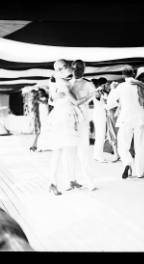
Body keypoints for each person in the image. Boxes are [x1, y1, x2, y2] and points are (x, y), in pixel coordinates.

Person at [47, 59, 96, 195]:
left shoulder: (57, 80)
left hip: (67, 117)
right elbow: (75, 102)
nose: (76, 70)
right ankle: (53, 182)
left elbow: (52, 99)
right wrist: (91, 94)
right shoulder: (62, 82)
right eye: (73, 67)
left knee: (65, 151)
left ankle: (67, 181)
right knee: (60, 151)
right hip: (65, 117)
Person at [107, 66, 144, 179]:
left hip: (125, 119)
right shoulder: (139, 85)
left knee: (123, 146)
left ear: (123, 75)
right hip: (140, 119)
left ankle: (127, 162)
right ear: (133, 73)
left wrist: (113, 90)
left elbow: (110, 104)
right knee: (140, 146)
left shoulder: (120, 87)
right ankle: (140, 172)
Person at [68, 60, 97, 191]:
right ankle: (71, 181)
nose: (77, 70)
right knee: (70, 152)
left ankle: (90, 181)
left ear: (84, 70)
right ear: (71, 69)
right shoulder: (66, 82)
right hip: (69, 120)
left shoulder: (88, 83)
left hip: (83, 120)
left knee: (84, 152)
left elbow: (94, 97)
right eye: (75, 68)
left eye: (80, 68)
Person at [92, 77, 108, 162]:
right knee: (101, 136)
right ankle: (99, 156)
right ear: (103, 84)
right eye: (106, 84)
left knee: (99, 136)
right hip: (99, 114)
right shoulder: (98, 91)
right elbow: (100, 101)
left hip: (98, 114)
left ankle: (96, 154)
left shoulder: (99, 91)